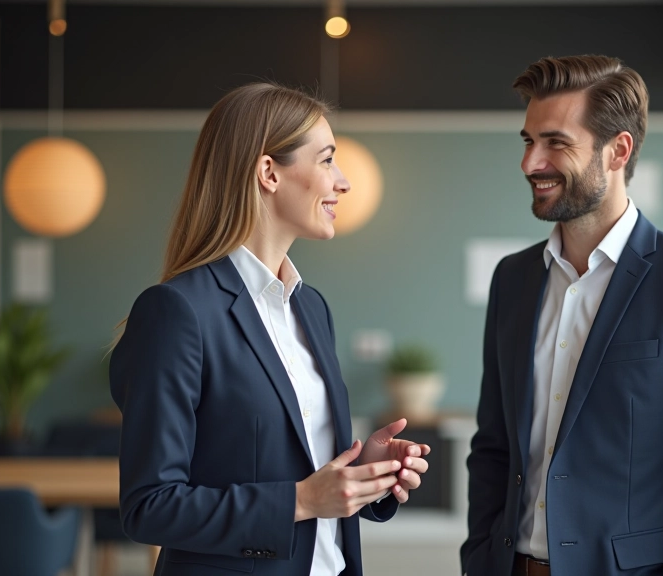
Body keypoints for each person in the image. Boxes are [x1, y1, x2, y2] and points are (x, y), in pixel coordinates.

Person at [109, 81, 429, 576]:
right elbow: (150, 507)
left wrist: (364, 473)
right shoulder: (176, 312)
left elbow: (297, 469)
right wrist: (301, 500)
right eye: (327, 160)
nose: (343, 182)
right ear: (269, 173)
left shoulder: (311, 307)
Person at [461, 55, 663, 576]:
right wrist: (479, 559)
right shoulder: (512, 279)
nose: (530, 163)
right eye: (528, 141)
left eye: (555, 142)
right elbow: (493, 447)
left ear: (618, 150)